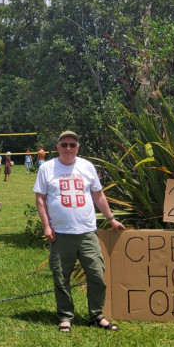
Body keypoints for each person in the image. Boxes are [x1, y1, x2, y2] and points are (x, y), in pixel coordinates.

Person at [33, 130, 125, 333]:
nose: (68, 148)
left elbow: (98, 195)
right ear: (57, 147)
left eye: (72, 145)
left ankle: (97, 316)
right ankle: (65, 317)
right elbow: (40, 199)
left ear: (78, 148)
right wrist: (46, 225)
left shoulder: (87, 166)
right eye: (64, 144)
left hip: (87, 233)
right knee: (61, 277)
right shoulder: (47, 168)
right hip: (60, 234)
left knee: (96, 274)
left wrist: (111, 219)